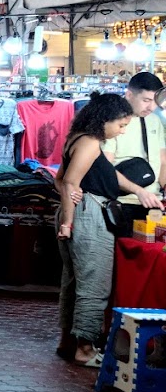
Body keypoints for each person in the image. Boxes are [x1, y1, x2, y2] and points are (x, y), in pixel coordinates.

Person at [57, 93, 162, 366]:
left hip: (83, 210)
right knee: (94, 283)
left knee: (74, 282)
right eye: (121, 125)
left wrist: (139, 190)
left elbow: (61, 180)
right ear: (105, 120)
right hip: (90, 214)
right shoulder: (91, 143)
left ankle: (68, 341)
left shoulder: (80, 139)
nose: (122, 131)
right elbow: (68, 182)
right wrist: (69, 219)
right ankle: (85, 349)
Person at [102, 71, 166, 226]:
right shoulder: (111, 120)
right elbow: (105, 168)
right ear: (129, 94)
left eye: (155, 101)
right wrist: (138, 191)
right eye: (146, 100)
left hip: (155, 203)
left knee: (153, 247)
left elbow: (162, 160)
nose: (151, 107)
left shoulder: (154, 120)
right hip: (122, 202)